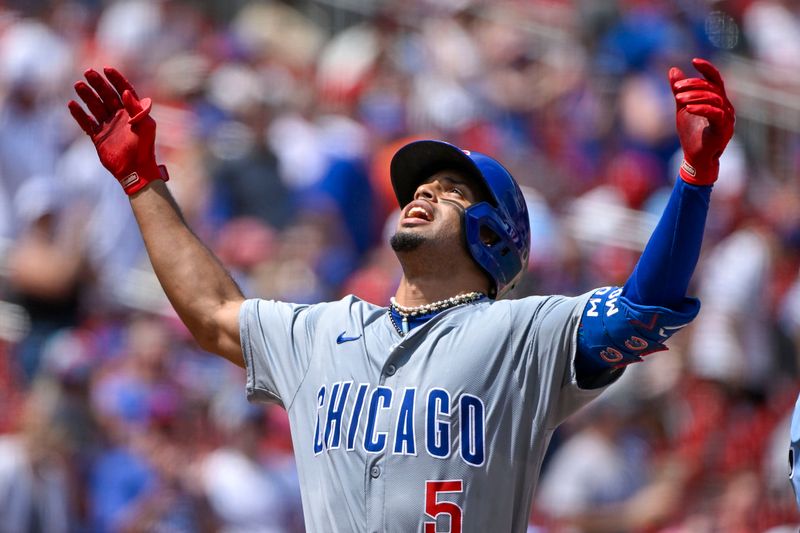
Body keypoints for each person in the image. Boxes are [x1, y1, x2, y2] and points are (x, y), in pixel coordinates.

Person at [68, 58, 734, 532]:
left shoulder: (522, 337)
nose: (424, 191)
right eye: (421, 185)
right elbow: (212, 313)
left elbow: (642, 307)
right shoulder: (321, 332)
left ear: (493, 235)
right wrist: (142, 183)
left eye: (451, 189)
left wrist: (695, 179)